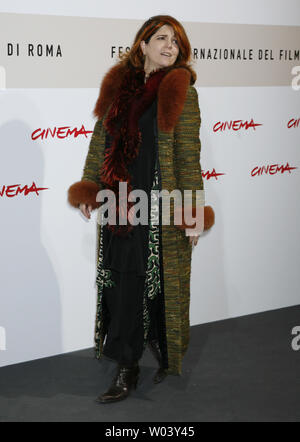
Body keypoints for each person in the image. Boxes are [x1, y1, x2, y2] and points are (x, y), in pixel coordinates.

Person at [68, 15, 215, 404]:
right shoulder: (119, 87)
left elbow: (187, 155)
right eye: (162, 38)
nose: (170, 47)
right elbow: (100, 142)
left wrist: (191, 213)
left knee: (158, 284)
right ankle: (126, 365)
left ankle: (156, 354)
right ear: (143, 44)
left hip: (158, 205)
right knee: (121, 285)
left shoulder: (181, 89)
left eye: (177, 42)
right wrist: (89, 188)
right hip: (119, 203)